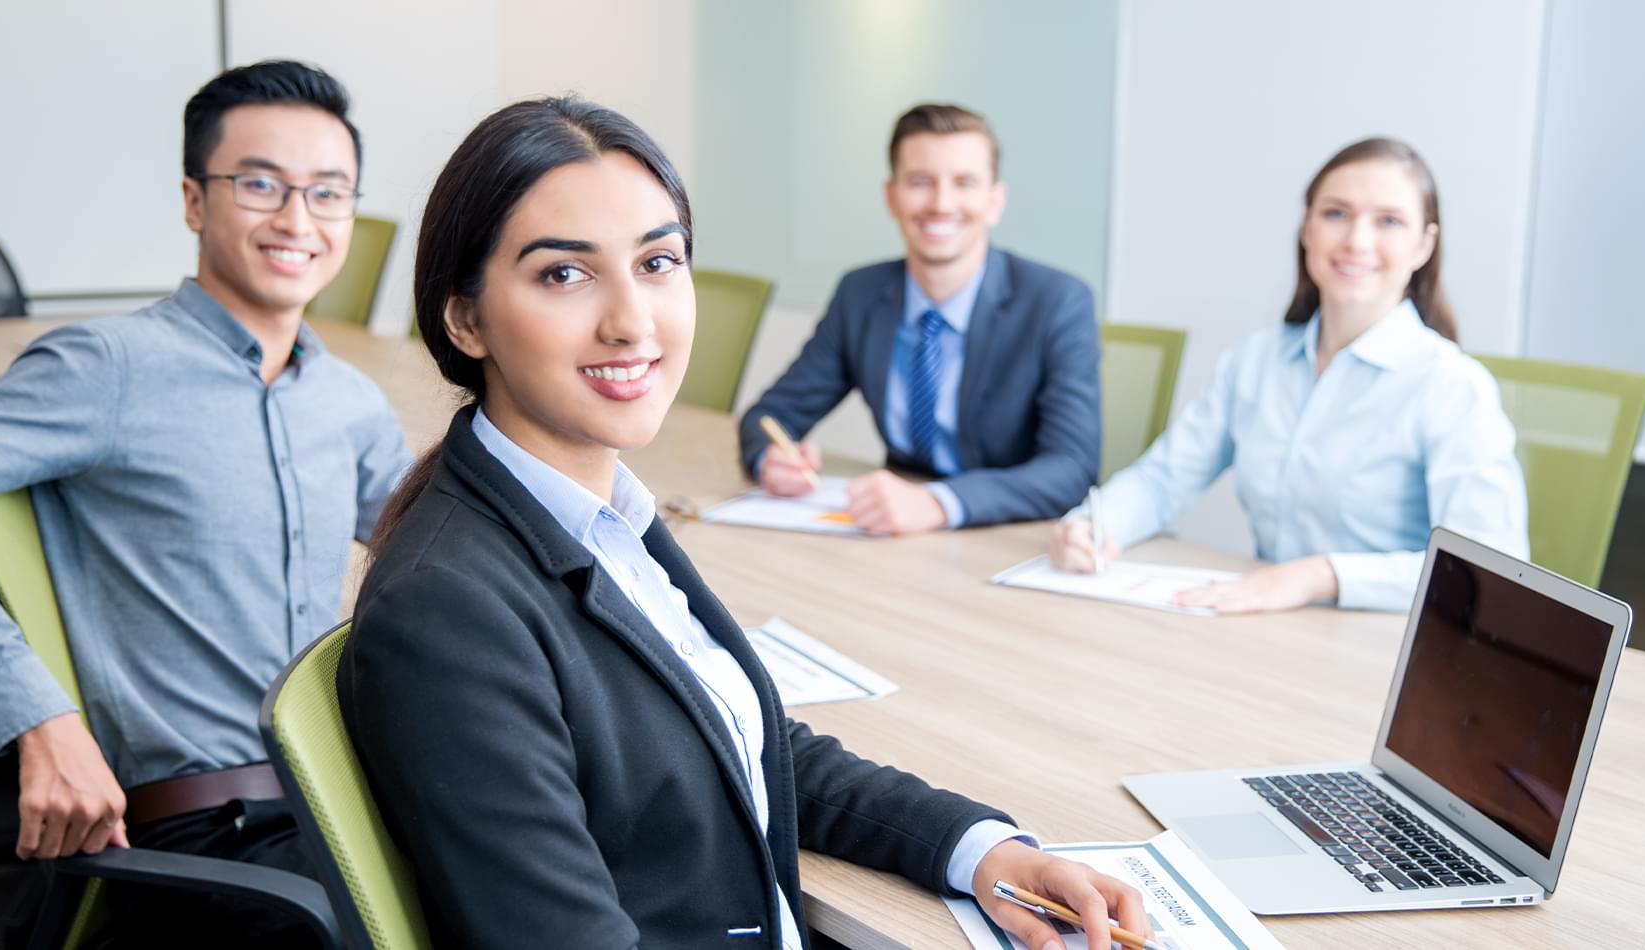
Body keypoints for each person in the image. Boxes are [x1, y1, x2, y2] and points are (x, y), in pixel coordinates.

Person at [342, 96, 1152, 950]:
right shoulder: (449, 613)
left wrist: (979, 848)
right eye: (565, 274)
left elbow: (733, 733)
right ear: (464, 316)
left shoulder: (601, 516)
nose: (632, 321)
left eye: (659, 262)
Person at [0, 61, 411, 944]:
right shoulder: (107, 368)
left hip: (342, 797)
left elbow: (434, 559)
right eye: (261, 184)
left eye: (328, 193)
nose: (298, 219)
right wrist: (38, 716)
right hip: (213, 825)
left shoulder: (351, 405)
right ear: (194, 201)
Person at [1048, 137, 1527, 614]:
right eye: (1336, 213)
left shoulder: (1449, 385)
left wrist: (1323, 576)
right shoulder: (1256, 362)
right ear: (1307, 229)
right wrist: (1096, 524)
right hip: (1269, 630)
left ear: (1423, 245)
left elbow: (1487, 569)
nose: (1357, 240)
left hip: (1385, 648)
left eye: (1389, 221)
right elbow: (1163, 480)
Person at [736, 103, 1100, 534]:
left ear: (995, 201)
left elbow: (1073, 469)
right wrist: (770, 459)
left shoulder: (1056, 301)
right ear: (891, 196)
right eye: (920, 182)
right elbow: (770, 417)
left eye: (964, 183)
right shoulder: (861, 294)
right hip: (891, 538)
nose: (942, 204)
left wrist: (938, 504)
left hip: (1008, 536)